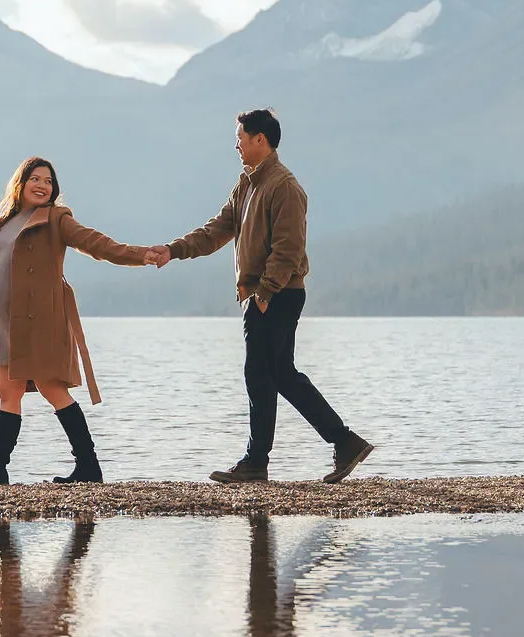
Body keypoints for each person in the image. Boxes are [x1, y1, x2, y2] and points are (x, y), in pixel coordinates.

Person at [145, 110, 375, 484]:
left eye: (240, 137)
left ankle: (257, 462)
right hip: (265, 294)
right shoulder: (247, 185)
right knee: (280, 374)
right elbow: (215, 231)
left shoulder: (284, 187)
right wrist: (173, 250)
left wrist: (265, 293)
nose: (236, 145)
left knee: (260, 374)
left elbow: (289, 248)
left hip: (275, 294)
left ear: (260, 140)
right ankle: (344, 442)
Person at [0, 156, 148, 486]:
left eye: (48, 181)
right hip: (3, 323)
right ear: (20, 184)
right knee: (8, 392)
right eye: (36, 179)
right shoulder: (3, 222)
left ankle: (88, 466)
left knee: (53, 389)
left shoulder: (56, 219)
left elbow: (96, 243)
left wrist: (140, 255)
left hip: (38, 321)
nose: (42, 185)